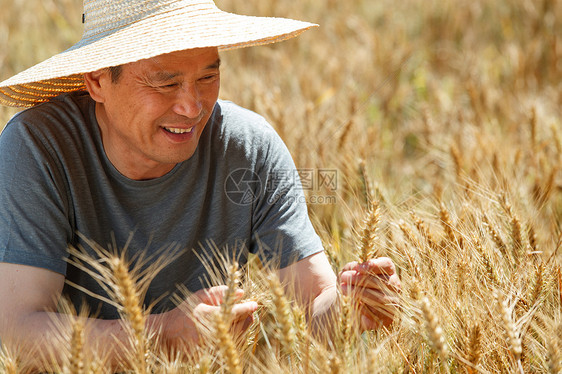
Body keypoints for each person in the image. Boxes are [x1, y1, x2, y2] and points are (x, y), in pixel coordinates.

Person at [0, 0, 401, 370]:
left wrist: (351, 305)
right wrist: (164, 335)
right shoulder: (37, 148)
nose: (192, 108)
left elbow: (313, 305)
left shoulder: (251, 149)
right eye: (165, 83)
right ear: (97, 80)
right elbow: (14, 329)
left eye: (208, 76)